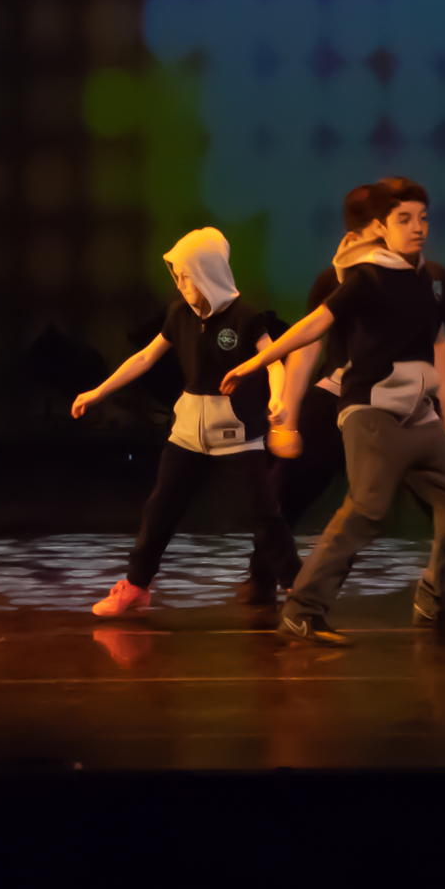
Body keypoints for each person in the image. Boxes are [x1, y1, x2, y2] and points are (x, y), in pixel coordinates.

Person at [221, 177, 445, 644]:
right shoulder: (365, 278)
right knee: (365, 511)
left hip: (420, 416)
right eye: (405, 219)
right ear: (381, 227)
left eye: (423, 218)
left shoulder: (434, 278)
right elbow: (314, 326)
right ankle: (302, 610)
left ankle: (435, 600)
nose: (418, 227)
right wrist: (258, 363)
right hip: (371, 413)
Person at [72, 227, 300, 615]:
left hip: (236, 431)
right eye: (177, 276)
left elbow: (274, 361)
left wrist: (278, 397)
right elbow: (145, 357)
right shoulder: (179, 313)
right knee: (160, 508)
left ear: (208, 273)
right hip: (189, 430)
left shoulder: (244, 317)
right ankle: (136, 585)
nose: (179, 284)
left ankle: (298, 586)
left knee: (263, 513)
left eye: (186, 276)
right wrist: (98, 392)